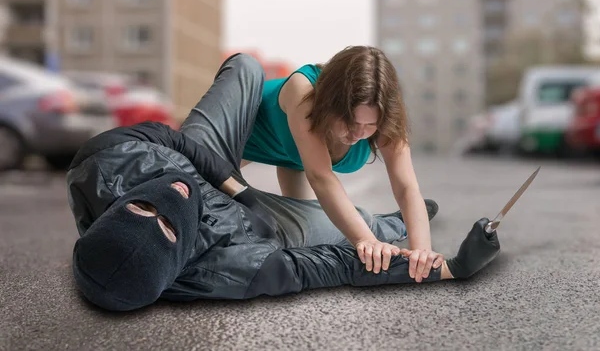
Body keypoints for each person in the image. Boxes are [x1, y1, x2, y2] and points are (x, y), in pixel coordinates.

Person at [66, 53, 501, 313]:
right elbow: (323, 259)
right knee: (327, 232)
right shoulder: (224, 270)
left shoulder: (100, 167)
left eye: (141, 207)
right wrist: (439, 266)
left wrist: (240, 190)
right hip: (241, 210)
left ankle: (388, 225)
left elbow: (165, 137)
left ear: (111, 214)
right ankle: (390, 225)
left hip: (215, 157)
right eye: (166, 225)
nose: (174, 193)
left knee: (246, 66)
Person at [241, 46, 441, 277]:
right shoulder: (304, 91)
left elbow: (406, 187)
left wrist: (422, 251)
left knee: (304, 236)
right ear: (329, 103)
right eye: (350, 121)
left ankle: (386, 226)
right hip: (246, 142)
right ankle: (381, 227)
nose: (357, 133)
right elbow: (321, 176)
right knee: (237, 220)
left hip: (293, 160)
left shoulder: (385, 115)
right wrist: (366, 241)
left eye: (369, 126)